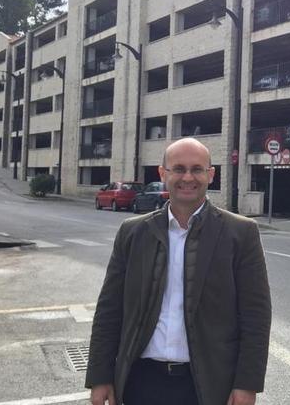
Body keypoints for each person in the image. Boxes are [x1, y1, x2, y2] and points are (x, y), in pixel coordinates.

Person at [85, 138, 272, 405]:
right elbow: (109, 310)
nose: (188, 177)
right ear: (163, 174)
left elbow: (256, 317)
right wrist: (100, 376)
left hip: (207, 385)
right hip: (141, 381)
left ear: (210, 175)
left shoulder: (240, 233)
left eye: (197, 169)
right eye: (179, 169)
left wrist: (247, 384)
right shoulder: (133, 232)